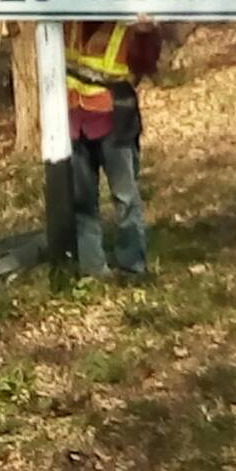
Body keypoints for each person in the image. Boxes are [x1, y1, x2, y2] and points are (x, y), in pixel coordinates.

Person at [65, 17, 161, 280]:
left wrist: (145, 32)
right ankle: (92, 268)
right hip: (74, 118)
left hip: (115, 119)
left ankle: (133, 267)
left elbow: (147, 64)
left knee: (125, 197)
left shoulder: (128, 16)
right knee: (82, 200)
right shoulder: (67, 10)